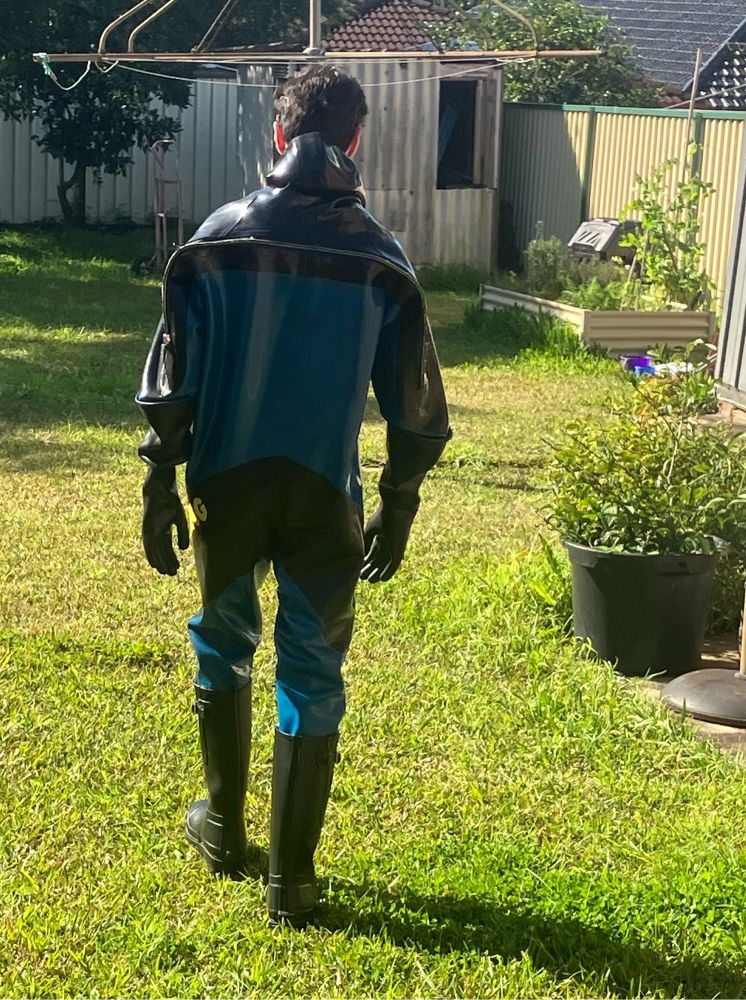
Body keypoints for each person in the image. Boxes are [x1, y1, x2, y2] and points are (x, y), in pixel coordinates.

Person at [136, 64, 451, 928]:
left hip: (227, 490)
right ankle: (295, 879)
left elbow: (172, 378)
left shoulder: (212, 241)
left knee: (221, 644)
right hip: (325, 499)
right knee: (313, 674)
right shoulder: (384, 261)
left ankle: (224, 829)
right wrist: (402, 498)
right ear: (355, 142)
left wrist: (159, 480)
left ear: (279, 137)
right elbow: (417, 408)